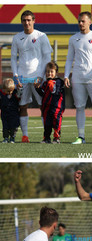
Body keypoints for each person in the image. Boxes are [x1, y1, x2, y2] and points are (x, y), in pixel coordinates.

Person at [11, 10, 53, 143]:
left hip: (38, 78)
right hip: (22, 78)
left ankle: (46, 136)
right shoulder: (17, 37)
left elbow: (47, 57)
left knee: (43, 106)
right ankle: (25, 136)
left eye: (29, 20)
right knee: (23, 106)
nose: (27, 22)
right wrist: (15, 76)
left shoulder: (41, 36)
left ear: (34, 21)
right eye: (24, 20)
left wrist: (42, 76)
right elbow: (13, 58)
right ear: (21, 22)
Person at [64, 11, 92, 145]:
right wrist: (66, 75)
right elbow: (70, 59)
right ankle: (81, 137)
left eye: (83, 21)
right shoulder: (73, 39)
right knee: (80, 107)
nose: (80, 23)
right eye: (79, 21)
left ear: (90, 22)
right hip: (77, 78)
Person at [35, 61, 65, 144]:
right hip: (46, 107)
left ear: (56, 72)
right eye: (47, 72)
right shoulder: (45, 83)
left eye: (51, 71)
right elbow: (43, 93)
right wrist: (37, 88)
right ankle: (46, 138)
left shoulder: (59, 81)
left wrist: (52, 85)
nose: (49, 73)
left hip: (56, 107)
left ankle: (56, 138)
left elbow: (55, 91)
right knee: (47, 123)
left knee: (56, 122)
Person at [0, 78, 20, 143]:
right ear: (4, 89)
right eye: (8, 91)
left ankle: (12, 137)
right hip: (4, 113)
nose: (10, 92)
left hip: (14, 113)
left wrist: (20, 89)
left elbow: (19, 96)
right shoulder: (1, 94)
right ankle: (6, 138)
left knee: (13, 127)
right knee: (5, 126)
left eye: (11, 90)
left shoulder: (14, 93)